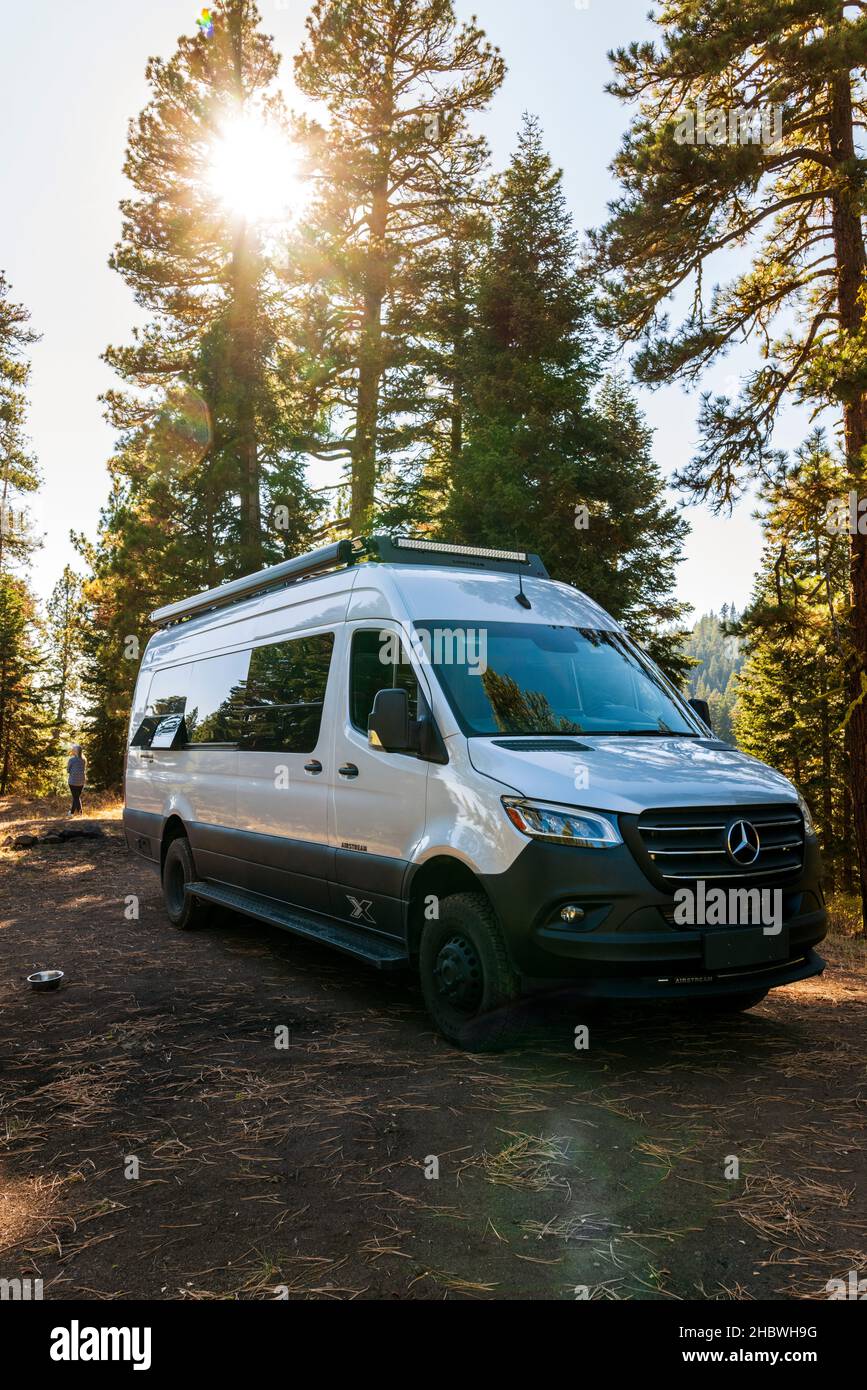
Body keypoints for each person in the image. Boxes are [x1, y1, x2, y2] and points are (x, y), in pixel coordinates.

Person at [67, 745, 86, 817]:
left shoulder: (71, 760)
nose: (72, 750)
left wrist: (72, 771)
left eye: (73, 749)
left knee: (76, 797)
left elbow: (68, 770)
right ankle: (72, 813)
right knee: (76, 797)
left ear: (76, 751)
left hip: (73, 781)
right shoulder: (84, 760)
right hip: (81, 781)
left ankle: (79, 813)